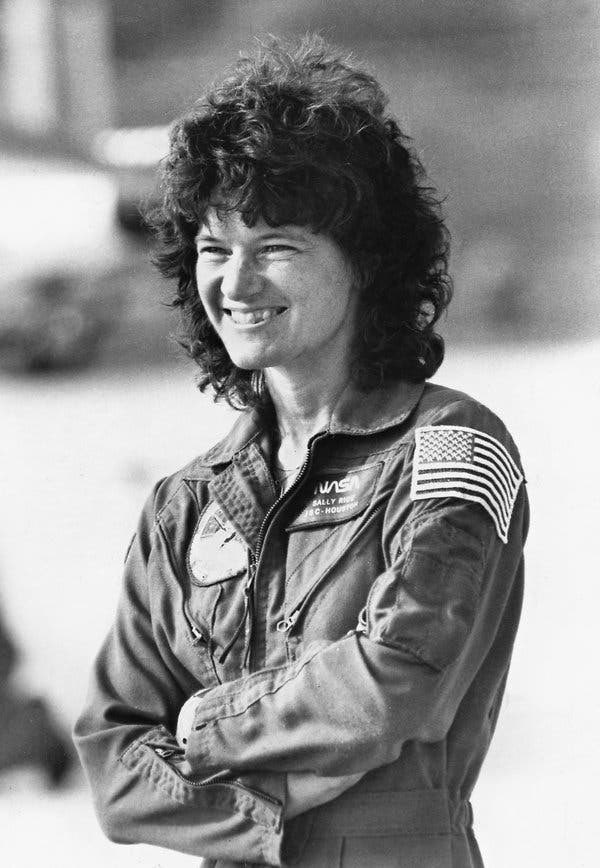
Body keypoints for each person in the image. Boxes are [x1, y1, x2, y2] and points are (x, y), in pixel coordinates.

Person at [74, 36, 528, 867]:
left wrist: (205, 723)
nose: (236, 284)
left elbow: (395, 685)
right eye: (215, 249)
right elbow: (115, 768)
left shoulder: (450, 449)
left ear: (366, 262)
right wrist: (270, 802)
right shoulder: (185, 506)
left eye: (276, 247)